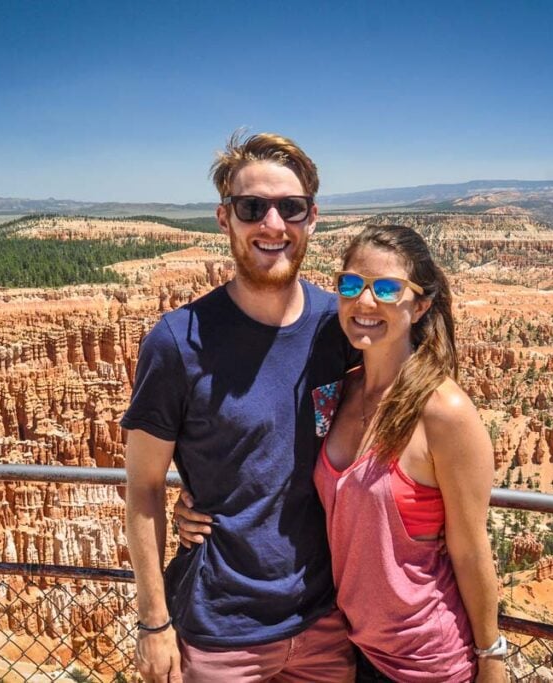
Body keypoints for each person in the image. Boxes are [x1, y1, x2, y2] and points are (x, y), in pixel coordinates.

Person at [122, 131, 356, 683]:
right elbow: (144, 487)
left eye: (290, 208)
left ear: (312, 218)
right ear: (224, 218)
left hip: (326, 622)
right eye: (253, 207)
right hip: (221, 633)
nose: (272, 225)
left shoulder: (340, 325)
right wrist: (153, 625)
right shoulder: (177, 342)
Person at [316, 224, 506, 682]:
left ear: (420, 305)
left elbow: (470, 547)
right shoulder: (338, 391)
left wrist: (492, 658)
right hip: (349, 647)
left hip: (426, 662)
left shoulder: (445, 412)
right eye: (351, 284)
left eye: (386, 288)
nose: (364, 302)